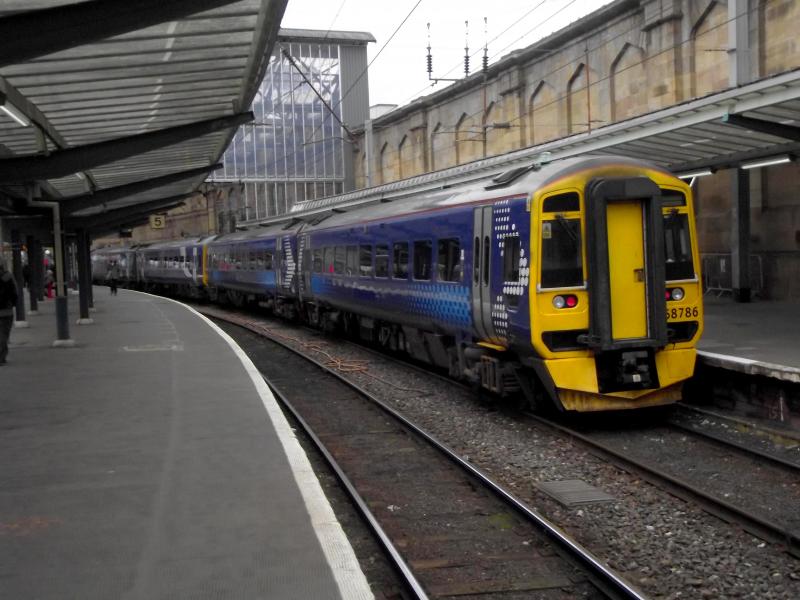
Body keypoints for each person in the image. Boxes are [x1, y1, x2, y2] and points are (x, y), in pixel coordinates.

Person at [0, 259, 18, 365]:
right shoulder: (9, 277)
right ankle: (1, 357)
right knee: (4, 334)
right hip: (6, 310)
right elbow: (15, 293)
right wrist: (13, 304)